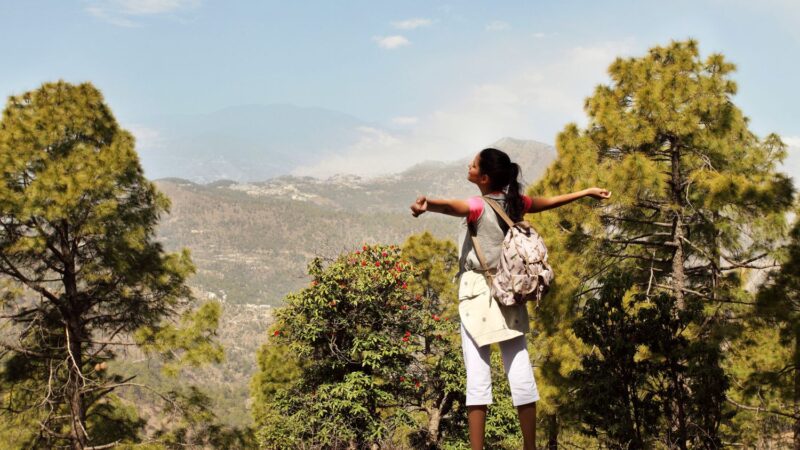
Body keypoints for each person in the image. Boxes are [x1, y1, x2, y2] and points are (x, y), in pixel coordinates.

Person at [410, 147, 610, 450]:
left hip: (479, 294)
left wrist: (429, 204)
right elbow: (547, 203)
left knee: (477, 376)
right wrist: (585, 192)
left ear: (485, 177)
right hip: (511, 292)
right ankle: (530, 446)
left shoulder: (479, 206)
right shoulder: (516, 204)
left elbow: (455, 207)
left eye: (474, 164)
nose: (469, 165)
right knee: (519, 369)